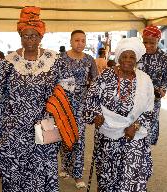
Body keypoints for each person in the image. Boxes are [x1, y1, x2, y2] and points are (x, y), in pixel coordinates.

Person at [0, 6, 75, 192]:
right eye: (25, 36)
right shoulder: (9, 61)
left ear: (41, 37)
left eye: (34, 36)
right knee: (12, 170)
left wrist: (56, 107)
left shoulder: (54, 60)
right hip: (13, 127)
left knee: (42, 170)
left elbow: (68, 88)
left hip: (45, 125)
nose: (29, 40)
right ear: (20, 36)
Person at [85, 37, 154, 192]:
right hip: (108, 134)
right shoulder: (106, 76)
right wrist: (96, 114)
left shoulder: (145, 80)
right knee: (107, 178)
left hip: (133, 135)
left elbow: (150, 109)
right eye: (124, 56)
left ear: (136, 60)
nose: (127, 60)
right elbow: (91, 98)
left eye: (132, 57)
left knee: (131, 177)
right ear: (118, 58)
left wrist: (135, 126)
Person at [59, 29, 98, 189]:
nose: (80, 43)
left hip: (82, 103)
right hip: (64, 102)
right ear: (70, 41)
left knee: (79, 139)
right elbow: (54, 79)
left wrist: (94, 104)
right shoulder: (61, 58)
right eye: (76, 40)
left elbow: (95, 81)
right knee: (64, 136)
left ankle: (77, 174)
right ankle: (65, 166)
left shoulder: (89, 59)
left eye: (83, 40)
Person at [137, 25, 167, 145]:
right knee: (135, 126)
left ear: (158, 41)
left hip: (154, 99)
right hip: (137, 97)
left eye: (152, 43)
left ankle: (145, 153)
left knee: (150, 127)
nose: (148, 45)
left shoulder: (164, 58)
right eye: (145, 42)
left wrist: (162, 90)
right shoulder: (138, 54)